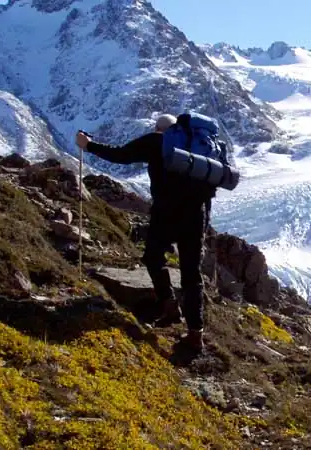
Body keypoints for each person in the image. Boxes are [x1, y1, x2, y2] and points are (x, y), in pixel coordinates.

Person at [75, 114, 215, 352]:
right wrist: (203, 222)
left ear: (159, 129)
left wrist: (88, 145)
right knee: (191, 276)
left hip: (166, 212)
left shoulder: (155, 141)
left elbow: (120, 155)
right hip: (195, 216)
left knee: (153, 256)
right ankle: (195, 334)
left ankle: (168, 304)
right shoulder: (199, 147)